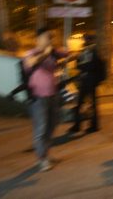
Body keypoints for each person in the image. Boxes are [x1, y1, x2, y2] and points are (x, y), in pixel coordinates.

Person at [24, 27, 68, 172]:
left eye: (49, 37)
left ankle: (46, 154)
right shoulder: (31, 53)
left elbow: (68, 53)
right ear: (37, 39)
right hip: (38, 97)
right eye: (45, 37)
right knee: (41, 129)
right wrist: (46, 53)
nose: (48, 40)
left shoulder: (52, 53)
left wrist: (61, 51)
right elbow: (30, 63)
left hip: (53, 95)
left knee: (52, 126)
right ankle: (41, 159)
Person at [68, 33, 104, 134]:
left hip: (91, 81)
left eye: (86, 39)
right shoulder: (83, 51)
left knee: (92, 104)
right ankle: (77, 126)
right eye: (84, 39)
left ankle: (94, 126)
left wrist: (82, 65)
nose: (84, 41)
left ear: (90, 40)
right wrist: (81, 64)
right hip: (84, 81)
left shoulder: (94, 52)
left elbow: (91, 66)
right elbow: (77, 64)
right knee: (79, 104)